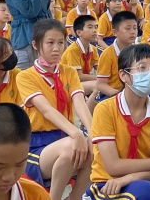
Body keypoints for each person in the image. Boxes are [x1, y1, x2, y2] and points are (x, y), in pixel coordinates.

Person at [16, 19, 92, 200]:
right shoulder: (26, 76)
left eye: (60, 42)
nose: (56, 48)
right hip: (36, 144)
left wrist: (92, 133)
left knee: (93, 147)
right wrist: (76, 133)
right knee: (71, 146)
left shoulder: (69, 72)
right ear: (36, 45)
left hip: (65, 136)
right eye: (50, 43)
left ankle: (74, 198)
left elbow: (80, 103)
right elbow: (46, 110)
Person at [90, 44, 150, 200]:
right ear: (123, 75)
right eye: (142, 68)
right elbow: (113, 167)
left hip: (143, 179)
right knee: (145, 190)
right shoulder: (105, 109)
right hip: (107, 183)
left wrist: (130, 178)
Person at [96, 11, 139, 100]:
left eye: (135, 28)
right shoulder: (107, 55)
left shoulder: (139, 52)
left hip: (135, 92)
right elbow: (101, 84)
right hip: (113, 94)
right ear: (115, 32)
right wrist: (119, 95)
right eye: (127, 28)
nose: (132, 32)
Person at [60, 14, 100, 98]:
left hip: (80, 83)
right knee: (99, 85)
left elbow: (100, 68)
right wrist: (100, 78)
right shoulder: (73, 50)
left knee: (106, 83)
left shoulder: (93, 48)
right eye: (90, 27)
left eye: (95, 27)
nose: (94, 30)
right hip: (67, 84)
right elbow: (79, 76)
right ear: (79, 32)